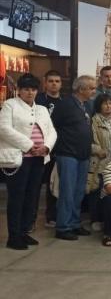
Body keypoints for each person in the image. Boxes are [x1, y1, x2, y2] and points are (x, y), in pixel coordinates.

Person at [0, 74, 57, 249]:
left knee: (32, 197)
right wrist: (29, 145)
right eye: (26, 89)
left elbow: (52, 131)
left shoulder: (42, 109)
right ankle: (14, 236)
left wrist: (46, 147)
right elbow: (3, 129)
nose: (30, 92)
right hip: (19, 159)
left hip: (38, 159)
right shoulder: (10, 105)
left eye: (33, 89)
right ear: (19, 90)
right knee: (17, 197)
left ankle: (24, 232)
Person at [51, 75, 96, 241]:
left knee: (78, 192)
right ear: (81, 89)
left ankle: (75, 223)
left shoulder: (87, 105)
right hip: (68, 154)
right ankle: (63, 227)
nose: (93, 91)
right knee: (67, 192)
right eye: (91, 88)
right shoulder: (65, 104)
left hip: (83, 154)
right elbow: (53, 126)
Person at [35, 70, 63, 228]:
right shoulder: (38, 100)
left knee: (54, 186)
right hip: (38, 149)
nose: (54, 84)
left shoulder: (65, 102)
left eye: (57, 81)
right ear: (45, 83)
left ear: (61, 84)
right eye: (51, 81)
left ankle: (51, 216)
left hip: (57, 149)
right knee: (36, 184)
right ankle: (30, 219)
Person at [86, 93, 111, 231]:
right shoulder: (94, 121)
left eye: (110, 103)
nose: (108, 106)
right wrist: (98, 150)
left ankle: (109, 220)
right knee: (96, 192)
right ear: (99, 105)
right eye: (105, 103)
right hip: (99, 162)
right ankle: (96, 219)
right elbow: (89, 141)